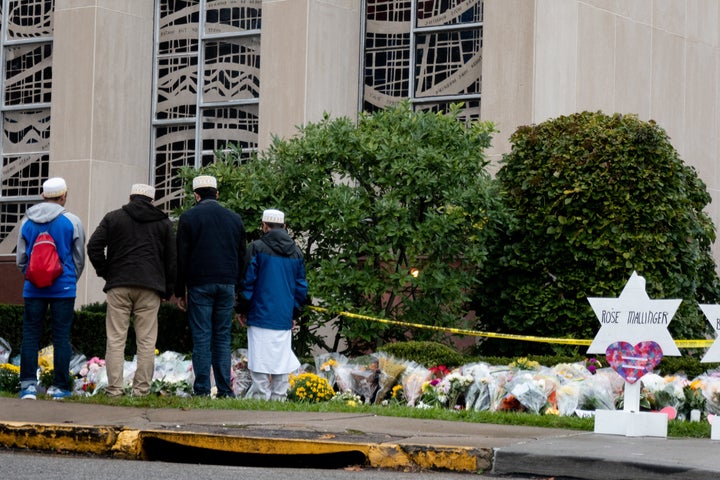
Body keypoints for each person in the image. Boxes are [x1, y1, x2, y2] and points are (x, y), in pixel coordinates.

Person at [87, 183, 176, 397]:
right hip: (150, 287)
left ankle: (115, 390)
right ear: (151, 201)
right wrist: (167, 290)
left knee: (116, 339)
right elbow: (172, 259)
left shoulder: (114, 217)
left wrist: (106, 272)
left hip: (119, 284)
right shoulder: (163, 222)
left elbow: (94, 246)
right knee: (146, 341)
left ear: (130, 198)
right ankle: (141, 390)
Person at [175, 175, 246, 398]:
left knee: (202, 338)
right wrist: (239, 292)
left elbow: (181, 258)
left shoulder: (188, 218)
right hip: (227, 284)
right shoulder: (235, 219)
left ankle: (203, 390)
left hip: (199, 285)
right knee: (223, 338)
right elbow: (242, 258)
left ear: (196, 195)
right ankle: (226, 390)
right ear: (217, 193)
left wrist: (179, 291)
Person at [16, 177, 86, 400]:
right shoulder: (72, 221)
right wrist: (69, 279)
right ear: (63, 195)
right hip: (63, 287)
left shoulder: (27, 222)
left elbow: (21, 259)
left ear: (43, 195)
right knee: (61, 336)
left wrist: (32, 277)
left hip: (33, 288)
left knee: (30, 335)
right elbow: (79, 258)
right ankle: (60, 387)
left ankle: (27, 386)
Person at [237, 209, 308, 401]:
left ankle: (261, 396)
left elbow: (247, 283)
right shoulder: (296, 252)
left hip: (259, 313)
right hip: (284, 316)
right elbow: (301, 288)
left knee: (258, 358)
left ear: (264, 226)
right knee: (281, 358)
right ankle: (279, 396)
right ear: (284, 226)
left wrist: (241, 309)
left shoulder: (256, 248)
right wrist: (294, 314)